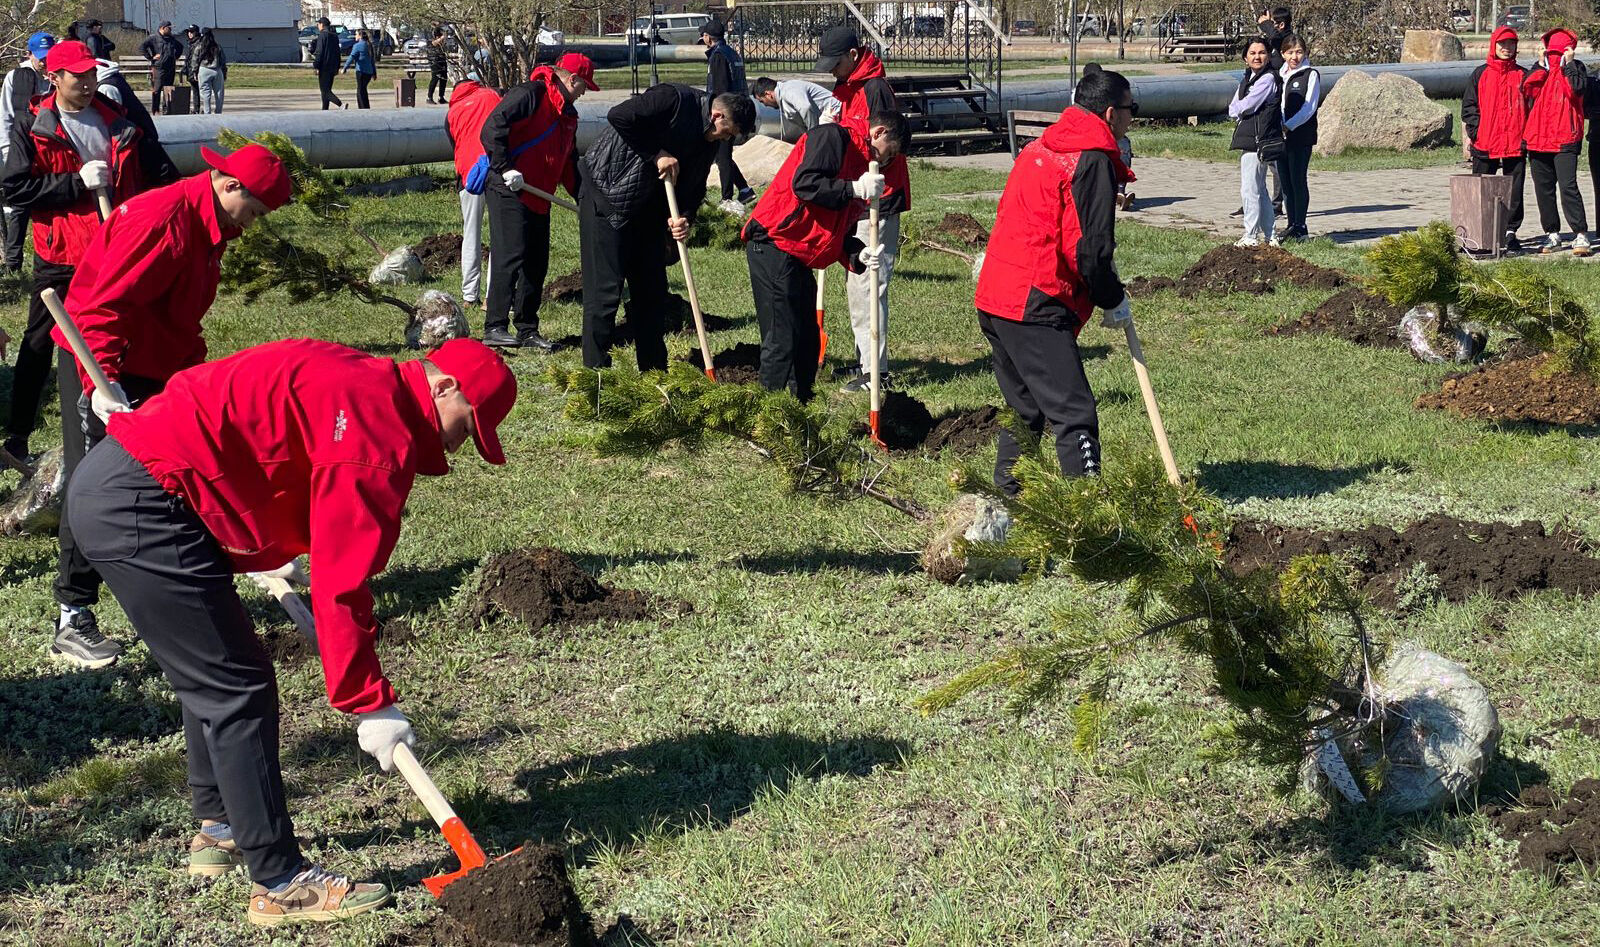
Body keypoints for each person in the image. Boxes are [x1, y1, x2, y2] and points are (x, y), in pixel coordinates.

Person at [66, 335, 516, 925]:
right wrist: (368, 700)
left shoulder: (364, 379)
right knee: (236, 688)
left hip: (134, 483)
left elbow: (261, 417)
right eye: (469, 425)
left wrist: (270, 533)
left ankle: (221, 827)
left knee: (219, 676)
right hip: (144, 502)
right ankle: (281, 881)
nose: (462, 446)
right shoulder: (379, 430)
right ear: (443, 386)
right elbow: (341, 578)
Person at [0, 38, 178, 666]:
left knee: (143, 426)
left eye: (92, 76)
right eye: (75, 77)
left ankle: (158, 577)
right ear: (54, 78)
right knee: (87, 430)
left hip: (121, 269)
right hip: (66, 269)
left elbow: (164, 182)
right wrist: (74, 183)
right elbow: (16, 189)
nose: (87, 84)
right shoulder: (36, 124)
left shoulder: (120, 123)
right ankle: (73, 609)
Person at [974, 67, 1135, 494]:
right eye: (1129, 110)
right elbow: (1088, 250)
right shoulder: (1093, 158)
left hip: (996, 296)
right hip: (1033, 303)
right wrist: (1111, 297)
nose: (1131, 118)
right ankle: (1087, 516)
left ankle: (1007, 508)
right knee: (1074, 412)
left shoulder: (1041, 145)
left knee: (1025, 410)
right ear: (1109, 113)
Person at [578, 84, 756, 372]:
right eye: (728, 132)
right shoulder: (673, 99)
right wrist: (657, 153)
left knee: (652, 293)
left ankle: (654, 374)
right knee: (605, 293)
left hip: (649, 211)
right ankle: (596, 376)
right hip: (608, 196)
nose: (726, 139)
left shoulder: (709, 141)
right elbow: (619, 116)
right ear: (718, 115)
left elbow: (694, 186)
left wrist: (684, 216)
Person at [741, 111, 907, 402]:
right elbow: (805, 185)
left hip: (798, 253)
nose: (885, 162)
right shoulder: (832, 138)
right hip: (773, 243)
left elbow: (834, 228)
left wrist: (859, 253)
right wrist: (852, 188)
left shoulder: (860, 162)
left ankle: (802, 406)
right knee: (783, 338)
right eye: (888, 153)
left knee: (807, 338)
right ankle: (767, 416)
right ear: (879, 132)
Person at [816, 26, 911, 393]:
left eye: (836, 63)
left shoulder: (874, 89)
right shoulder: (849, 89)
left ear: (854, 56)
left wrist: (867, 178)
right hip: (857, 196)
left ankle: (876, 374)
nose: (831, 71)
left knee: (870, 285)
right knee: (858, 284)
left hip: (878, 200)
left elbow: (886, 145)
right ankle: (865, 363)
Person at [479, 53, 594, 350]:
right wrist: (505, 168)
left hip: (539, 194)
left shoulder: (568, 115)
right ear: (572, 79)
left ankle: (527, 329)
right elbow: (492, 128)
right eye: (585, 85)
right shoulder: (530, 95)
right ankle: (495, 326)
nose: (585, 92)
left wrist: (585, 199)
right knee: (510, 254)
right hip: (509, 187)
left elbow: (569, 163)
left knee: (536, 262)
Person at [1524, 27, 1588, 255]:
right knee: (1544, 190)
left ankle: (1580, 234)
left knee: (1568, 187)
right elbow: (1528, 89)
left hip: (1565, 138)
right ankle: (1552, 234)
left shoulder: (1576, 68)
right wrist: (1542, 64)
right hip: (1537, 138)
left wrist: (1569, 64)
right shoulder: (1539, 69)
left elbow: (1576, 90)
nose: (1555, 56)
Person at [1464, 26, 1528, 253]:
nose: (1507, 48)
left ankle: (1510, 232)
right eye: (1503, 44)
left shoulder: (1523, 75)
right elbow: (1469, 106)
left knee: (1514, 189)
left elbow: (1532, 107)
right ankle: (1478, 232)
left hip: (1515, 142)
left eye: (1511, 44)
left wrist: (1525, 135)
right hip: (1486, 141)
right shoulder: (1480, 74)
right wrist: (1476, 131)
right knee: (1481, 187)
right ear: (1494, 45)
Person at [446, 75, 501, 309]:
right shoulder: (491, 96)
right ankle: (492, 296)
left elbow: (455, 144)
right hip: (496, 169)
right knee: (499, 234)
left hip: (469, 176)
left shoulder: (452, 111)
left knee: (471, 233)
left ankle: (469, 296)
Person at [1, 31, 51, 272]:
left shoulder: (56, 76)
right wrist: (6, 149)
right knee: (19, 207)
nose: (44, 61)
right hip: (20, 147)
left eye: (49, 56)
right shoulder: (15, 77)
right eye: (41, 56)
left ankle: (48, 258)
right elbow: (6, 115)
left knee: (50, 201)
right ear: (28, 54)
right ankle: (13, 264)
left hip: (48, 150)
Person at [1228, 37, 1281, 247]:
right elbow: (1234, 104)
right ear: (1245, 58)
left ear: (1268, 56)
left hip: (1259, 140)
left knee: (1249, 189)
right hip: (1250, 138)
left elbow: (1248, 104)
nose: (1257, 56)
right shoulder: (1247, 78)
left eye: (1261, 52)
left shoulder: (1267, 79)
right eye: (1252, 53)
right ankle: (1271, 235)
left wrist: (1236, 109)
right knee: (1260, 189)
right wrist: (1236, 109)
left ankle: (1250, 235)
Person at [701, 19, 752, 215]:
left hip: (726, 115)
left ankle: (727, 198)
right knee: (722, 155)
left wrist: (717, 114)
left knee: (722, 157)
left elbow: (721, 88)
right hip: (737, 111)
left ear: (707, 37)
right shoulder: (731, 53)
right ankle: (745, 190)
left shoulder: (718, 56)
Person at [1277, 33, 1320, 241]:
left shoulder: (1310, 74)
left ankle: (1301, 226)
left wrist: (1289, 126)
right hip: (1280, 137)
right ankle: (1291, 223)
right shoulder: (1279, 75)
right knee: (1285, 182)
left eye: (1299, 52)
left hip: (1300, 136)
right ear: (1283, 53)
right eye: (1290, 52)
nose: (1295, 56)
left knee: (1297, 179)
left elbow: (1309, 107)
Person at [751, 76, 840, 138]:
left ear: (768, 94)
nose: (765, 105)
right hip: (827, 120)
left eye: (762, 101)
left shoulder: (788, 90)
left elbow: (805, 107)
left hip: (837, 113)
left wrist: (814, 135)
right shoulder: (783, 96)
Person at [139, 21, 182, 114]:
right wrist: (151, 57)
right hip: (158, 68)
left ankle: (166, 109)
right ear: (162, 28)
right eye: (169, 28)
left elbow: (180, 47)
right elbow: (142, 47)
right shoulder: (153, 38)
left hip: (170, 68)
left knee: (168, 89)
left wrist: (175, 57)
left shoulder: (171, 39)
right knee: (157, 90)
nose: (171, 30)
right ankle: (155, 110)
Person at [311, 18, 345, 110]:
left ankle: (340, 104)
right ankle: (325, 110)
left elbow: (320, 51)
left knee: (325, 90)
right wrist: (337, 66)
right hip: (333, 66)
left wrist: (316, 65)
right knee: (326, 90)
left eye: (318, 24)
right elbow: (338, 52)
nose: (317, 26)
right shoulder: (334, 36)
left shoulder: (323, 35)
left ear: (322, 24)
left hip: (324, 66)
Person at [194, 28, 227, 114]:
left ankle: (207, 112)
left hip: (203, 70)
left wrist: (195, 72)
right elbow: (223, 60)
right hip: (217, 70)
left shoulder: (199, 47)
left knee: (205, 93)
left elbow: (195, 60)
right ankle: (218, 112)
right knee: (219, 93)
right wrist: (224, 72)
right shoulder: (217, 46)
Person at [343, 30, 377, 110]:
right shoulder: (369, 45)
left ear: (360, 36)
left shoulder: (358, 46)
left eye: (356, 34)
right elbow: (372, 60)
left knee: (360, 90)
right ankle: (366, 106)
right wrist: (374, 73)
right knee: (364, 89)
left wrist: (345, 67)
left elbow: (352, 57)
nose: (355, 36)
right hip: (369, 72)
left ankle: (362, 108)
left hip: (361, 71)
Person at [425, 29, 449, 104]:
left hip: (442, 59)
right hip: (434, 61)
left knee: (444, 78)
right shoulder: (430, 38)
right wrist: (442, 38)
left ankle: (441, 97)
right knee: (435, 78)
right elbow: (434, 43)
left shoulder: (441, 42)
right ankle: (429, 97)